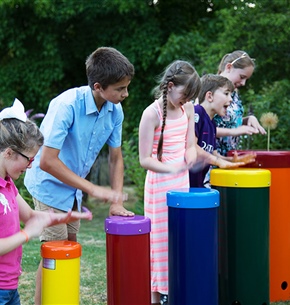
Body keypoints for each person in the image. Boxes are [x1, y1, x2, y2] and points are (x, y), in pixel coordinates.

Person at [24, 46, 135, 304]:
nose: (125, 94)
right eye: (120, 88)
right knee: (56, 250)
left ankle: (61, 298)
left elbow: (116, 158)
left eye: (126, 87)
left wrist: (116, 201)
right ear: (98, 86)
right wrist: (93, 188)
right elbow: (48, 162)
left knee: (69, 248)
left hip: (72, 189)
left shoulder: (114, 111)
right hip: (48, 185)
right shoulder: (66, 106)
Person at [0, 99, 92, 305]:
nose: (31, 166)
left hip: (9, 286)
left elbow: (31, 216)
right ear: (9, 153)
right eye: (29, 160)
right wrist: (26, 234)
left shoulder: (7, 185)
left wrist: (63, 217)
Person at [139, 60, 201, 305]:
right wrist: (170, 167)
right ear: (170, 86)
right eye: (185, 95)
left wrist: (190, 159)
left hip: (181, 182)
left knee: (179, 237)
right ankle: (156, 297)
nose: (186, 100)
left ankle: (175, 291)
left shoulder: (188, 109)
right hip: (159, 185)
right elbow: (145, 159)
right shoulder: (151, 113)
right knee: (159, 241)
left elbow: (190, 144)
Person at [189, 74, 256, 188]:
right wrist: (218, 161)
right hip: (184, 186)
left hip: (197, 186)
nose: (230, 99)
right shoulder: (197, 112)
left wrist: (233, 161)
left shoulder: (212, 124)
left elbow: (214, 156)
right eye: (226, 94)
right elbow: (193, 148)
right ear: (210, 96)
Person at [214, 50, 266, 156]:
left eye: (246, 79)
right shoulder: (211, 90)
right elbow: (201, 129)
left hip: (230, 159)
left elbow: (227, 122)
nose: (243, 83)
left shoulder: (234, 92)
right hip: (210, 162)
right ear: (229, 67)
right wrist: (234, 132)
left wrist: (247, 120)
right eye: (242, 77)